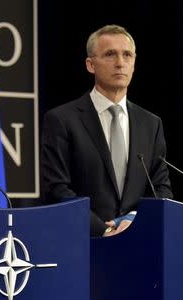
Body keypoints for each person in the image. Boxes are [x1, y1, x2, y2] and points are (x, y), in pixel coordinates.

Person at [41, 24, 172, 237]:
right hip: (83, 242)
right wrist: (104, 230)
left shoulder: (151, 124)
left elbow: (161, 188)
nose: (120, 63)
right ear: (90, 65)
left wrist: (133, 221)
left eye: (127, 55)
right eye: (110, 55)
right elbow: (57, 190)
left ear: (134, 63)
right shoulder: (62, 119)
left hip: (138, 241)